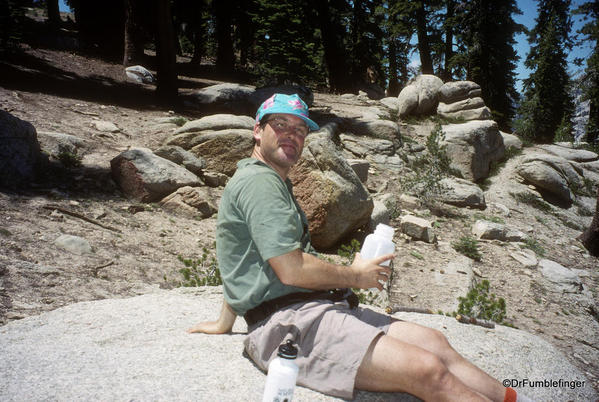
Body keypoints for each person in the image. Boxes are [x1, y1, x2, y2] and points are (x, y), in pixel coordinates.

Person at [188, 93, 525, 402]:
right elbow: (289, 268)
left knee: (436, 344)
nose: (292, 134)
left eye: (300, 129)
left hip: (314, 306)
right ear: (257, 131)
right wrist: (355, 275)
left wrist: (225, 320)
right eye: (280, 124)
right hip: (286, 325)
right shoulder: (260, 183)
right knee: (426, 370)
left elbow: (241, 252)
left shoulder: (268, 179)